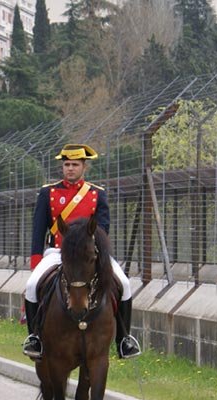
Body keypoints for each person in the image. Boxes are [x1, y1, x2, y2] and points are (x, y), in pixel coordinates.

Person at [23, 143, 141, 360]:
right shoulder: (47, 192)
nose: (70, 169)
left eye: (75, 164)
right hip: (57, 252)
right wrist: (35, 262)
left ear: (84, 167)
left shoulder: (97, 194)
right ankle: (35, 337)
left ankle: (124, 339)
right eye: (66, 164)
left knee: (124, 284)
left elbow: (103, 229)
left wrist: (96, 251)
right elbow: (38, 230)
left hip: (89, 253)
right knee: (31, 286)